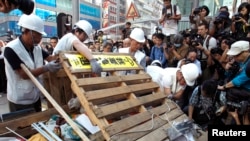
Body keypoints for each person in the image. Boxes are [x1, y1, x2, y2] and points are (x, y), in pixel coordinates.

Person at [3, 14, 61, 112]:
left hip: (36, 96)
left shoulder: (37, 48)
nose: (39, 39)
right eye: (36, 35)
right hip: (20, 100)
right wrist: (46, 68)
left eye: (40, 35)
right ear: (25, 31)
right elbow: (24, 74)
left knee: (38, 124)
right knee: (23, 126)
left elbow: (50, 58)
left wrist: (61, 59)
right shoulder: (11, 49)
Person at [218, 41, 250, 124]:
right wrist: (228, 68)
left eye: (237, 55)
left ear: (246, 51)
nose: (235, 58)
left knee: (229, 90)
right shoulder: (239, 61)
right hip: (241, 90)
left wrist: (224, 87)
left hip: (246, 91)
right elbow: (229, 75)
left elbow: (239, 80)